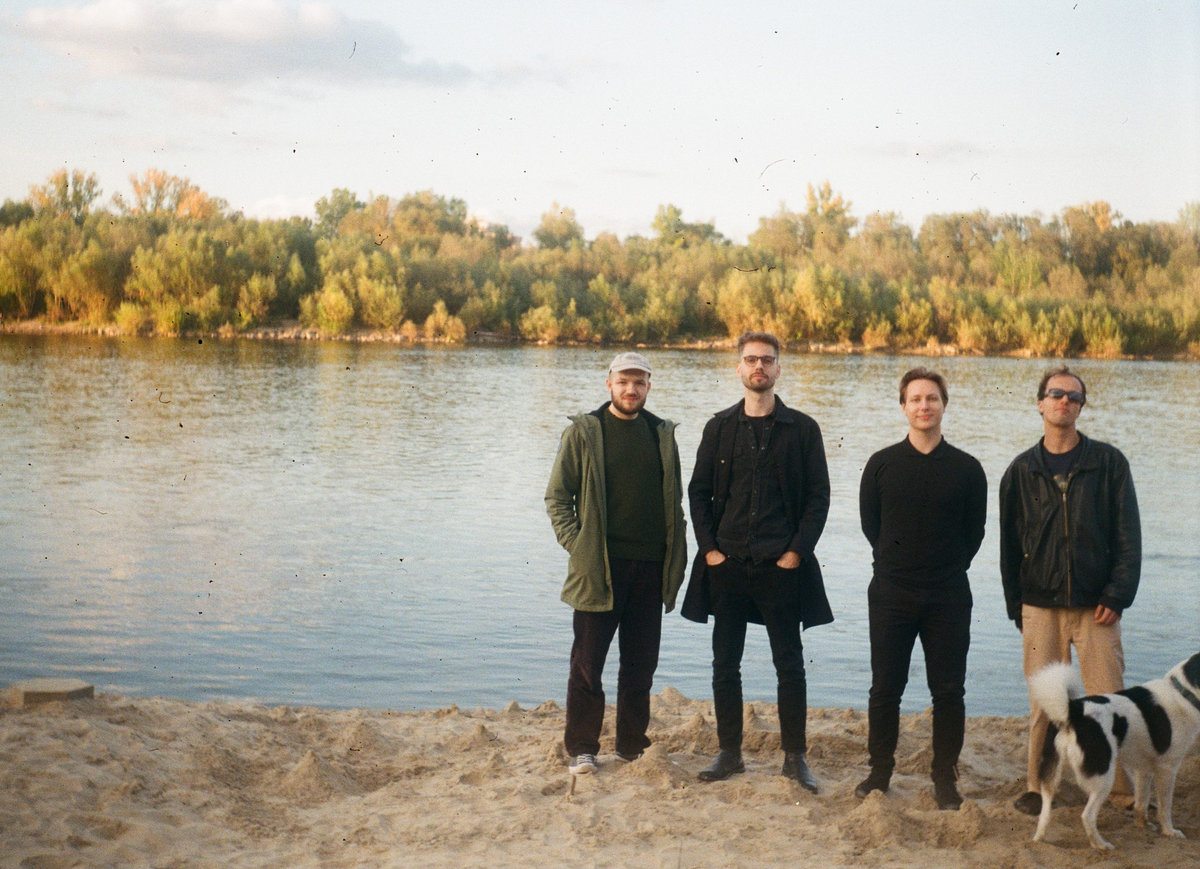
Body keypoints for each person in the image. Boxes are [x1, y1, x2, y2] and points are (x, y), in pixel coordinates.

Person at [681, 331, 833, 791]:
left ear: (778, 369)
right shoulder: (719, 427)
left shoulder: (803, 429)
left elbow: (819, 497)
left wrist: (796, 552)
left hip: (781, 566)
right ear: (739, 368)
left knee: (790, 664)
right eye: (751, 359)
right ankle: (729, 754)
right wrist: (710, 550)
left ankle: (795, 758)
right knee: (724, 663)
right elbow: (697, 493)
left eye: (767, 360)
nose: (759, 367)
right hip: (727, 564)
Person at [1000, 365, 1141, 816]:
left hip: (1098, 605)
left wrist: (1117, 595)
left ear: (1081, 407)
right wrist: (1016, 606)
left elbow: (1128, 536)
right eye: (1056, 394)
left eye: (1073, 396)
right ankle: (1040, 787)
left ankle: (1121, 792)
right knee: (1044, 705)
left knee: (1109, 699)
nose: (1065, 401)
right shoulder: (1020, 471)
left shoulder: (1109, 463)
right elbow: (1009, 546)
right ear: (1040, 403)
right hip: (1039, 606)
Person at [545, 351, 688, 776]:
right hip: (599, 569)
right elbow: (558, 498)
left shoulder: (661, 433)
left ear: (648, 387)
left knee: (640, 668)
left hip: (650, 569)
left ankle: (631, 745)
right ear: (609, 383)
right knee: (587, 666)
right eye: (623, 381)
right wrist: (579, 547)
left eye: (639, 382)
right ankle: (582, 748)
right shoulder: (584, 432)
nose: (631, 389)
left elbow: (674, 501)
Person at [855, 368, 987, 810]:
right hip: (891, 592)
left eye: (932, 398)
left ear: (944, 405)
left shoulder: (967, 468)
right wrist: (900, 565)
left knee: (948, 691)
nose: (924, 406)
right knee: (884, 688)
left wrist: (945, 567)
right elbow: (872, 526)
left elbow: (974, 532)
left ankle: (944, 777)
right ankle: (879, 772)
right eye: (915, 399)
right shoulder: (881, 464)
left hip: (948, 594)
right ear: (903, 407)